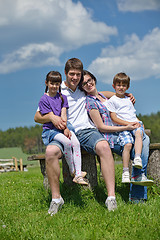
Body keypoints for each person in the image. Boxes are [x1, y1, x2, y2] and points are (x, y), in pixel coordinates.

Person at [34, 58, 120, 215]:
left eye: (78, 74)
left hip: (86, 131)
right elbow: (37, 117)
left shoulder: (83, 87)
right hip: (62, 131)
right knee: (50, 152)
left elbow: (101, 93)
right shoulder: (56, 91)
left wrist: (122, 94)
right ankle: (56, 199)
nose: (75, 78)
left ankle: (111, 197)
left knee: (104, 147)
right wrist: (52, 117)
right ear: (66, 73)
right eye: (72, 74)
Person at [79, 70, 153, 201]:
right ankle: (138, 193)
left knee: (143, 140)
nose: (88, 84)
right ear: (81, 87)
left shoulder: (104, 95)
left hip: (122, 130)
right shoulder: (90, 102)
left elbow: (119, 94)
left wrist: (128, 95)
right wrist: (127, 126)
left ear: (94, 79)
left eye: (89, 80)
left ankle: (137, 183)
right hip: (112, 137)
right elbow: (101, 126)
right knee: (141, 144)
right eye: (84, 83)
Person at [38, 71, 88, 186]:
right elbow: (53, 119)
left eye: (57, 84)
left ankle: (78, 174)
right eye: (52, 83)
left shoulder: (62, 98)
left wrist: (65, 128)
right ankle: (72, 171)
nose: (54, 86)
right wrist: (63, 128)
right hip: (51, 130)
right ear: (46, 83)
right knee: (67, 142)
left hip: (64, 126)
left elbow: (63, 114)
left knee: (75, 142)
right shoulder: (44, 99)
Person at [105, 72, 146, 183]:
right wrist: (127, 124)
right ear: (114, 86)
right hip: (123, 127)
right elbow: (114, 118)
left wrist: (139, 122)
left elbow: (132, 115)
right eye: (118, 85)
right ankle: (125, 171)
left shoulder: (129, 100)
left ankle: (137, 158)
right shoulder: (112, 100)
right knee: (127, 145)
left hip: (133, 124)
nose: (121, 87)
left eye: (124, 85)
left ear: (127, 87)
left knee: (139, 134)